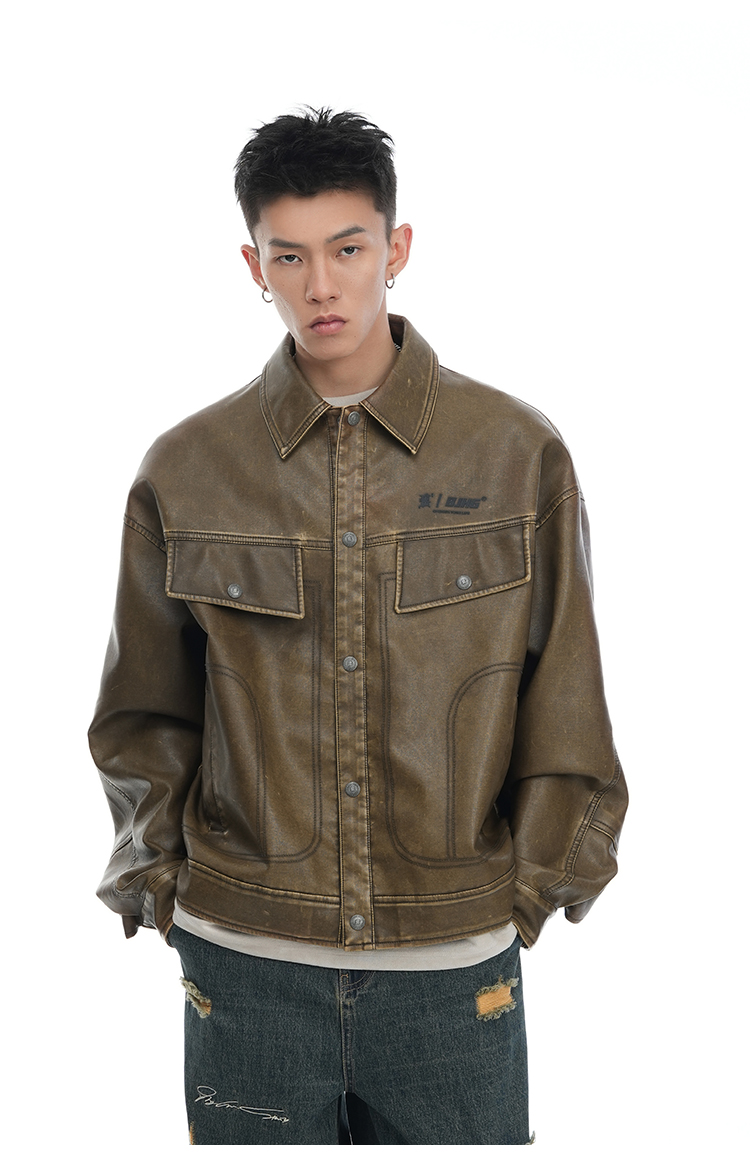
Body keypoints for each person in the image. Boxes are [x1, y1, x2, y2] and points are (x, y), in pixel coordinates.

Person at [89, 107, 627, 1146]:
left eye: (347, 249)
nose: (321, 286)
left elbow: (567, 699)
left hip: (453, 979)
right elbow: (142, 714)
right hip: (246, 973)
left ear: (397, 247)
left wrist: (517, 898)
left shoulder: (516, 454)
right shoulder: (186, 468)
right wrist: (163, 888)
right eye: (289, 257)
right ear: (253, 265)